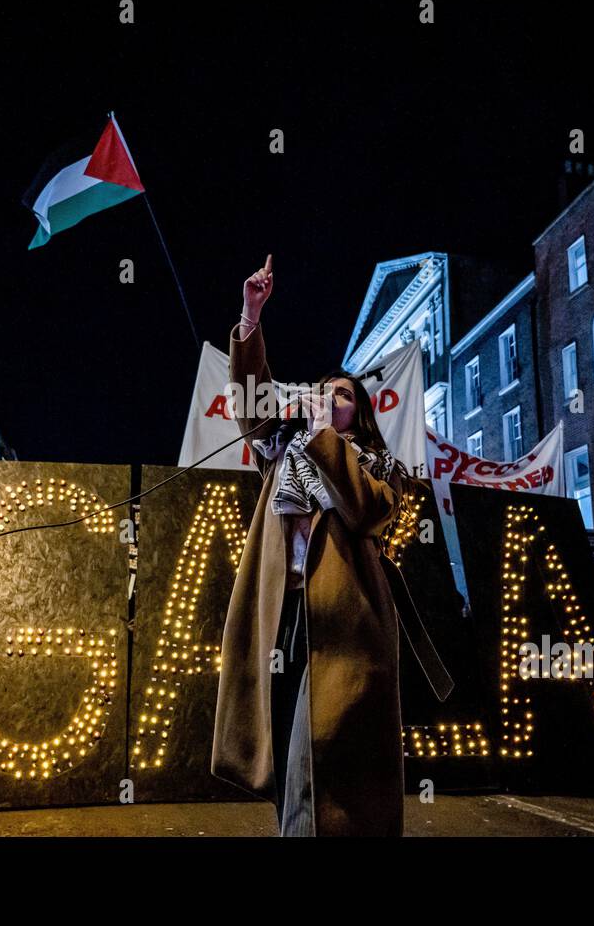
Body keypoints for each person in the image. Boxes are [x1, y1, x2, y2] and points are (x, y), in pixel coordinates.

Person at [211, 255, 448, 837]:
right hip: (280, 619)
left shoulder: (380, 466)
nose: (328, 399)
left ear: (359, 415)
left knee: (318, 768)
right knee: (281, 762)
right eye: (323, 392)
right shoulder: (283, 450)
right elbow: (251, 398)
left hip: (344, 628)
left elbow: (364, 509)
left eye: (341, 395)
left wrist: (322, 438)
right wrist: (250, 314)